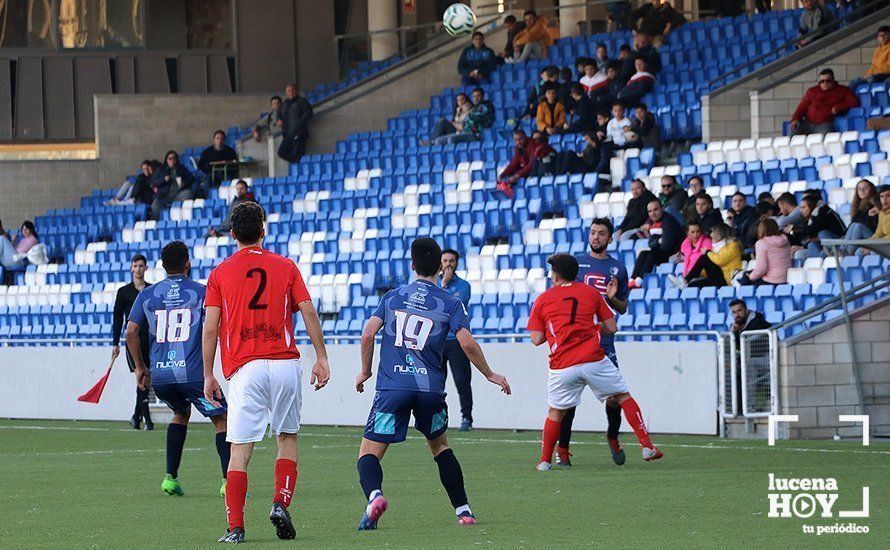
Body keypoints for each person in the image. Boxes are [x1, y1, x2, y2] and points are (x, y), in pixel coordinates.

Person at [354, 238, 510, 529]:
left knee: (369, 453)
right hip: (429, 390)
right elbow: (466, 342)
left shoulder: (393, 296)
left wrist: (365, 371)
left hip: (393, 388)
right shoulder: (450, 302)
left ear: (412, 266)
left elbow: (367, 334)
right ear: (440, 267)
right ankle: (464, 511)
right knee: (440, 447)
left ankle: (374, 496)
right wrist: (490, 374)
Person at [202, 201, 331, 543]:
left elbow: (210, 328)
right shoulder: (285, 265)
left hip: (247, 368)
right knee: (286, 437)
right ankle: (280, 503)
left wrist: (208, 374)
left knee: (240, 449)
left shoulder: (219, 274)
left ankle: (236, 527)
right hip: (286, 364)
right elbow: (307, 309)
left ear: (233, 235)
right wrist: (321, 356)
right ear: (263, 231)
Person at [528, 253, 662, 471]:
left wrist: (557, 331)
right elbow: (612, 327)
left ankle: (545, 461)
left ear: (555, 276)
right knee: (622, 396)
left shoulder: (543, 299)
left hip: (562, 365)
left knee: (555, 412)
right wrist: (590, 328)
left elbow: (536, 339)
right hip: (593, 360)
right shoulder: (590, 292)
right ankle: (647, 446)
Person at [125, 241, 230, 498]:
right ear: (188, 264)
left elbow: (130, 332)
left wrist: (140, 367)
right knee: (222, 419)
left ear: (162, 266)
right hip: (193, 374)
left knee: (180, 413)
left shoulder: (147, 295)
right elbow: (214, 327)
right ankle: (230, 482)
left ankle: (170, 479)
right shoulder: (201, 292)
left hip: (161, 376)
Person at [555, 219, 630, 467]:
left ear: (610, 238)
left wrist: (612, 299)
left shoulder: (618, 268)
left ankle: (613, 437)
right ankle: (563, 451)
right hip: (575, 341)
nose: (596, 237)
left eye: (601, 234)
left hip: (604, 340)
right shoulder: (575, 265)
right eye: (593, 233)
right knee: (568, 401)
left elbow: (623, 307)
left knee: (614, 398)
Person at [111, 254, 153, 431]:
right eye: (135, 266)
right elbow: (117, 318)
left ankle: (136, 417)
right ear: (131, 268)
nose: (138, 269)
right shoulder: (123, 292)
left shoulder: (151, 290)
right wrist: (115, 343)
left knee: (147, 378)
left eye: (141, 266)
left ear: (146, 268)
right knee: (140, 375)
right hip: (132, 341)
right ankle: (148, 421)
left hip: (150, 340)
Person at [438, 249, 474, 432]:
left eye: (451, 261)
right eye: (445, 261)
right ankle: (438, 416)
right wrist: (443, 284)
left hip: (457, 339)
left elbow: (456, 307)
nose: (448, 264)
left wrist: (444, 286)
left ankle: (467, 417)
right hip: (438, 340)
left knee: (462, 380)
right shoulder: (434, 284)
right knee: (437, 381)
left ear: (457, 263)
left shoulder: (464, 286)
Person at [669, 222, 741, 288]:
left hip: (727, 280)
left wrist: (707, 252)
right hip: (717, 278)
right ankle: (683, 284)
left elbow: (719, 260)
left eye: (713, 232)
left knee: (705, 257)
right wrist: (698, 272)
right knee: (692, 285)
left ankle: (685, 280)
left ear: (720, 233)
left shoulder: (733, 245)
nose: (711, 235)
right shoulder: (719, 247)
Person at [790, 68, 859, 136]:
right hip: (807, 123)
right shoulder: (812, 91)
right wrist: (795, 119)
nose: (825, 83)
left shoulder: (842, 90)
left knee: (826, 136)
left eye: (828, 81)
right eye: (822, 81)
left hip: (825, 124)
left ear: (833, 80)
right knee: (793, 131)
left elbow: (854, 101)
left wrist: (838, 107)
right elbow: (802, 107)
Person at [629, 200, 683, 285]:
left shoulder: (668, 222)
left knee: (652, 252)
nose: (653, 213)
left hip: (673, 254)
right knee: (643, 253)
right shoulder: (653, 223)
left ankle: (639, 281)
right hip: (661, 251)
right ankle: (632, 280)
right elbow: (650, 243)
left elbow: (666, 246)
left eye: (655, 210)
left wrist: (656, 243)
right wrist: (658, 241)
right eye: (650, 211)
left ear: (662, 209)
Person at [738, 219, 791, 286]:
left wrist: (751, 277)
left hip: (771, 281)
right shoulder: (785, 241)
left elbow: (761, 269)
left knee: (746, 277)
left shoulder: (761, 243)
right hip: (785, 278)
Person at [150, 150, 195, 221]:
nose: (172, 160)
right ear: (166, 160)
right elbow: (153, 182)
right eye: (170, 159)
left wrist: (184, 182)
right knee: (155, 204)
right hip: (164, 196)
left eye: (174, 158)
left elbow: (192, 179)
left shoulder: (181, 168)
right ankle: (156, 222)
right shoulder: (161, 169)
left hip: (178, 195)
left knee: (188, 193)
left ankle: (185, 217)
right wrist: (164, 179)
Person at [595, 103, 634, 182]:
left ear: (623, 111)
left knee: (605, 148)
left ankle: (601, 167)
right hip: (613, 143)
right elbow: (609, 136)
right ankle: (605, 167)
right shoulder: (611, 123)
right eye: (615, 111)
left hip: (623, 143)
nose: (617, 113)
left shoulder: (627, 121)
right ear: (612, 112)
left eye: (619, 110)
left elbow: (629, 136)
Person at [496, 130, 538, 199]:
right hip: (526, 170)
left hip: (535, 169)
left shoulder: (532, 144)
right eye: (516, 140)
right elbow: (514, 163)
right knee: (508, 175)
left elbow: (531, 164)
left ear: (525, 137)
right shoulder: (517, 148)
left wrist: (517, 175)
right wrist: (502, 175)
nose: (518, 142)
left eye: (520, 139)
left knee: (516, 175)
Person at [278, 83, 313, 163]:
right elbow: (279, 114)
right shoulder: (285, 104)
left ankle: (299, 168)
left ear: (296, 91)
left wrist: (299, 123)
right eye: (288, 91)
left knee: (299, 155)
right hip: (287, 134)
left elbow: (309, 113)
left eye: (292, 90)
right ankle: (296, 163)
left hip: (299, 134)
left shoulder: (301, 101)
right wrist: (279, 119)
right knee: (281, 152)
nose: (290, 92)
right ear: (286, 93)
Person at [842, 179, 880, 252]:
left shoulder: (876, 203)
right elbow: (852, 225)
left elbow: (874, 226)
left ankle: (847, 250)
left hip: (873, 237)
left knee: (857, 226)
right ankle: (843, 249)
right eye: (859, 188)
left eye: (865, 188)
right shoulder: (857, 207)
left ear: (871, 190)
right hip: (860, 237)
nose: (862, 190)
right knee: (854, 225)